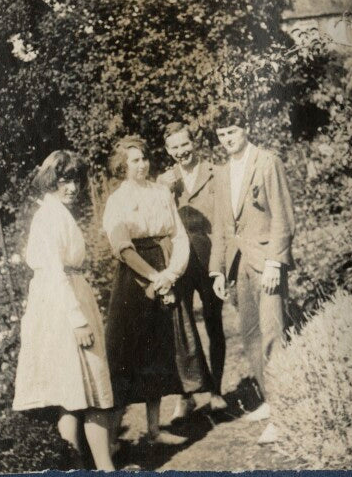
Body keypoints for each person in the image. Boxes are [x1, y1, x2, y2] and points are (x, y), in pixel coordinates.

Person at [102, 135, 212, 450]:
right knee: (125, 355)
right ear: (122, 165)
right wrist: (153, 276)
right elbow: (123, 248)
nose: (142, 165)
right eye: (134, 160)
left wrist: (171, 274)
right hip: (135, 279)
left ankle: (153, 431)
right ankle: (110, 441)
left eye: (144, 158)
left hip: (165, 269)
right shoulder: (117, 200)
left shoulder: (161, 192)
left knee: (160, 350)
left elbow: (179, 236)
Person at [13, 150, 115, 471]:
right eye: (64, 181)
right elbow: (55, 272)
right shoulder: (48, 217)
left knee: (77, 391)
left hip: (69, 295)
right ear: (50, 181)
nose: (72, 188)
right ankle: (88, 470)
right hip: (62, 305)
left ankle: (92, 469)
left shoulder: (58, 213)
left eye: (75, 181)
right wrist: (77, 320)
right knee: (85, 390)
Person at [208, 104, 295, 445]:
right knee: (251, 336)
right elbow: (220, 227)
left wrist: (275, 263)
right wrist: (217, 270)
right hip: (238, 265)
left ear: (245, 128)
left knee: (273, 333)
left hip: (266, 262)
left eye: (232, 131)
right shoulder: (221, 173)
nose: (227, 139)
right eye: (221, 134)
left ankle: (285, 415)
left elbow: (283, 217)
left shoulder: (267, 162)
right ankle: (271, 401)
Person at [158, 122, 226, 421]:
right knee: (182, 328)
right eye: (174, 147)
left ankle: (216, 391)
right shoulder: (163, 181)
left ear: (193, 142)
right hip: (180, 261)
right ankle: (186, 396)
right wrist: (164, 193)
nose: (180, 151)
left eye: (184, 144)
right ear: (167, 150)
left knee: (214, 323)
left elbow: (224, 219)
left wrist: (221, 264)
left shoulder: (215, 172)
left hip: (210, 257)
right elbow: (160, 222)